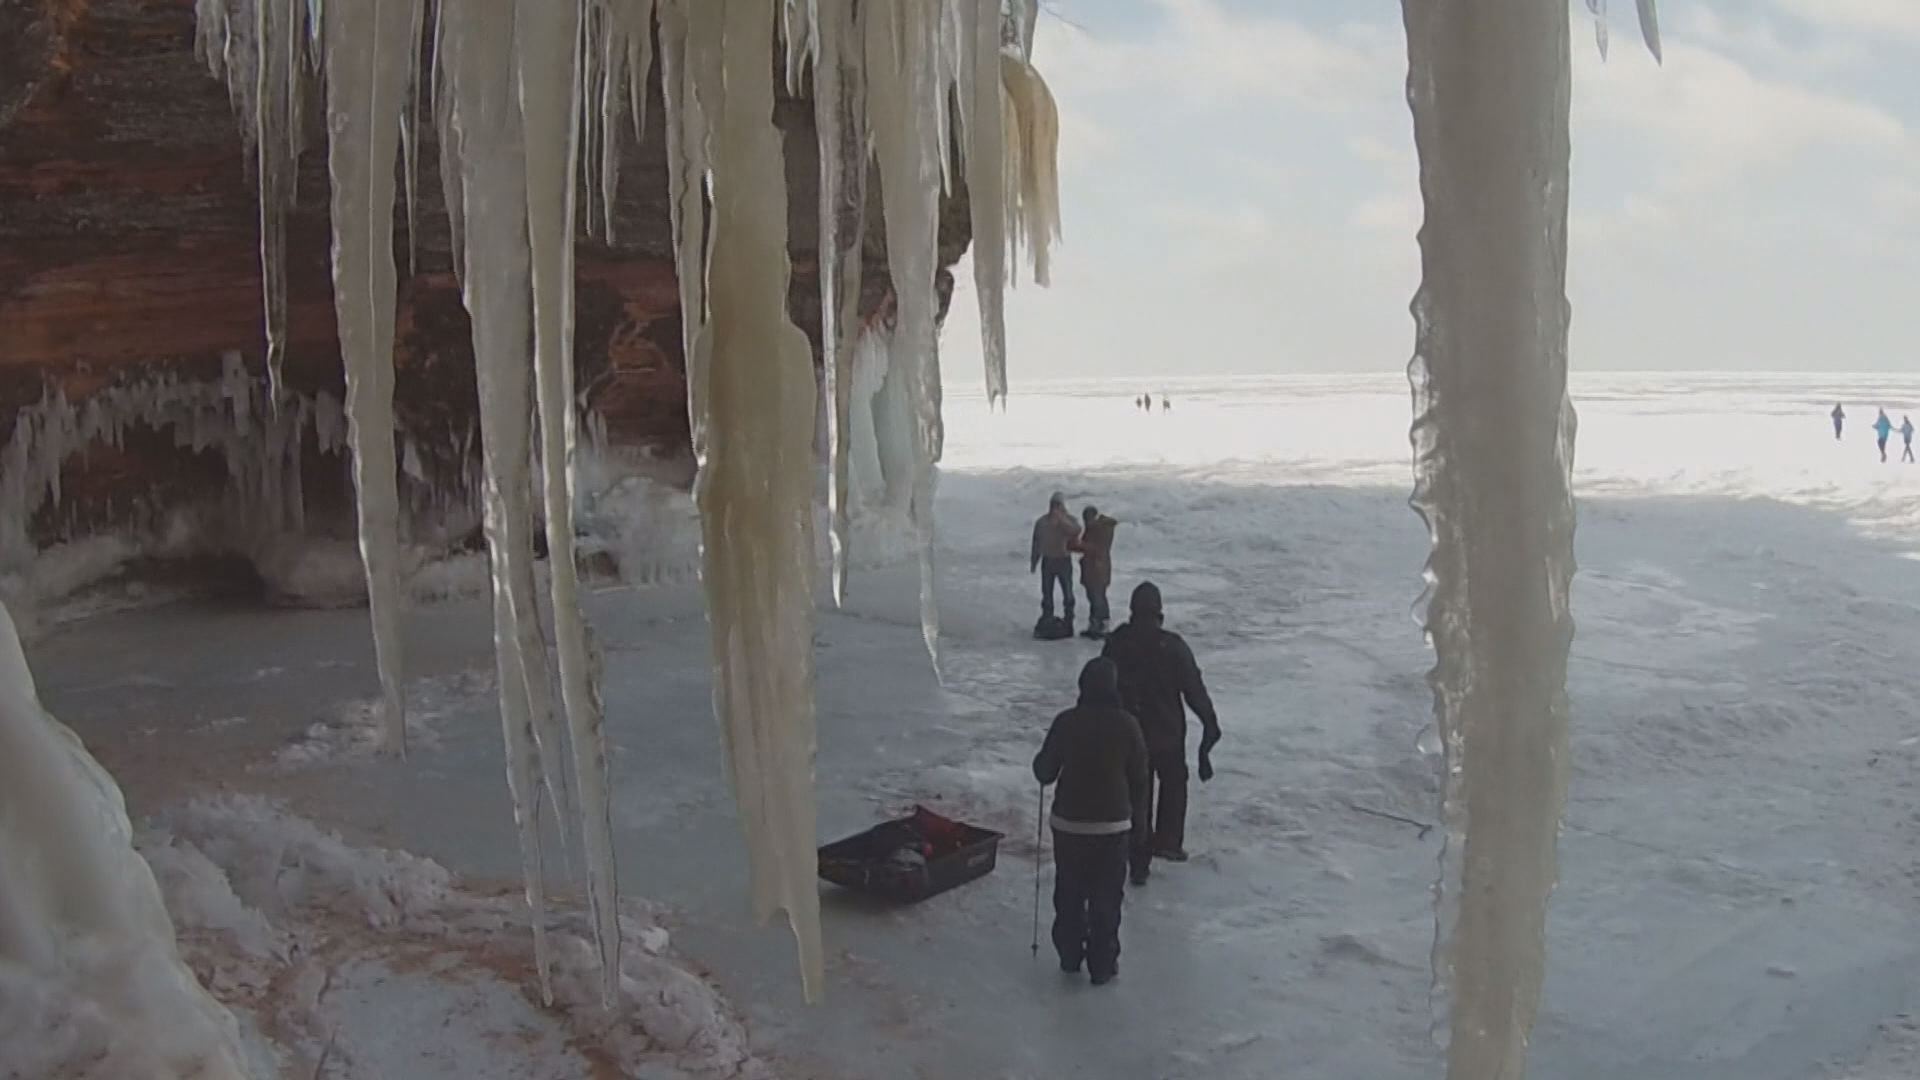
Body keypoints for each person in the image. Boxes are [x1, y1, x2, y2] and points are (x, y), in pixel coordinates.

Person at [1032, 658, 1149, 986]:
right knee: (1106, 898)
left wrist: (1041, 761)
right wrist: (1140, 826)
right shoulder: (1128, 725)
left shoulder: (1066, 722)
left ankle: (1070, 955)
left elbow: (1045, 772)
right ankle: (1102, 964)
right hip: (1112, 827)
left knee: (1069, 891)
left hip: (1069, 825)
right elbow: (1140, 779)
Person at [1101, 582, 1221, 884]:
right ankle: (1167, 842)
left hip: (1129, 735)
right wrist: (1209, 727)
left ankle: (1136, 845)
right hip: (1167, 735)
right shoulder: (1173, 647)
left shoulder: (1117, 642)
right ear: (1160, 614)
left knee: (1136, 793)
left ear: (1131, 611)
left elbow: (1100, 687)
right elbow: (1195, 691)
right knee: (1174, 784)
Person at [1030, 493, 1083, 628]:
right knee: (1047, 593)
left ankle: (1069, 618)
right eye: (1053, 505)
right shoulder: (1041, 522)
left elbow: (1076, 531)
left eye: (1058, 505)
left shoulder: (1069, 520)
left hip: (1063, 560)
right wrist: (1034, 561)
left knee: (1068, 592)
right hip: (1048, 560)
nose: (1055, 508)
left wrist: (1062, 521)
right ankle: (1047, 616)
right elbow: (1036, 542)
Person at [1077, 506, 1119, 638]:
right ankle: (1096, 624)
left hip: (1097, 568)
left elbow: (1093, 547)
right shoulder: (1097, 528)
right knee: (1094, 597)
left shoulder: (1101, 529)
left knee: (1098, 597)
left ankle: (1102, 625)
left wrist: (1076, 545)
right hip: (1094, 568)